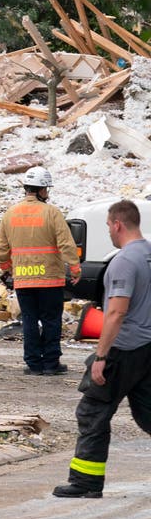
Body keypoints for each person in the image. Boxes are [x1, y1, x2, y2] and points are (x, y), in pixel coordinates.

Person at [54, 199, 151, 498]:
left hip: (123, 349)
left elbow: (116, 312)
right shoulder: (148, 254)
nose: (108, 230)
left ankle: (86, 483)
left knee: (92, 412)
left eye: (109, 225)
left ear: (118, 224)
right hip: (148, 348)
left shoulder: (123, 262)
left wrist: (101, 356)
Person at [0, 166, 80, 376]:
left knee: (30, 320)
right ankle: (51, 363)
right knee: (51, 320)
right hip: (50, 279)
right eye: (46, 190)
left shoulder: (10, 214)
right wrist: (75, 268)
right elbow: (66, 243)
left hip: (24, 279)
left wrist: (7, 270)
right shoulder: (52, 213)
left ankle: (33, 364)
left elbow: (1, 250)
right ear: (42, 190)